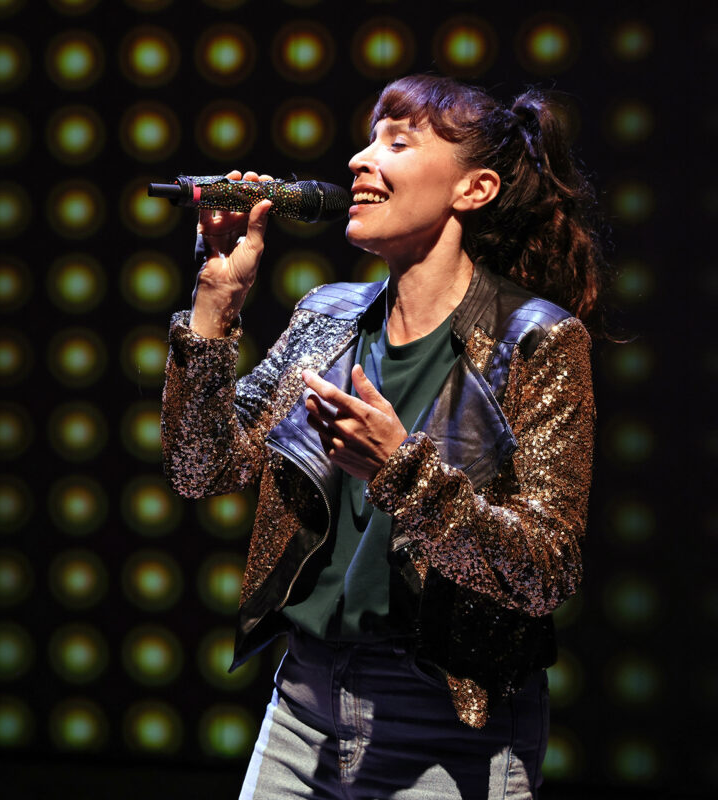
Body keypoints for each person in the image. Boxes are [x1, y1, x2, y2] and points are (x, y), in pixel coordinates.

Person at [161, 73, 607, 799]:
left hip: (446, 726)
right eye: (370, 137)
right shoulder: (327, 316)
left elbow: (545, 571)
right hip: (302, 706)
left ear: (475, 190)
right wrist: (214, 307)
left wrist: (401, 469)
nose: (360, 160)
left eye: (398, 141)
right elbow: (199, 468)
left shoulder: (538, 341)